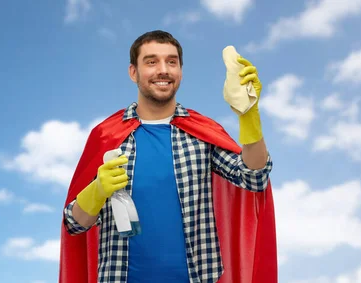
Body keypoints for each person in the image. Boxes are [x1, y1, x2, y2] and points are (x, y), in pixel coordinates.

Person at [59, 30, 277, 283]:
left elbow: (253, 177)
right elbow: (75, 224)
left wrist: (248, 114)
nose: (163, 70)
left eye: (171, 62)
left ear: (181, 71)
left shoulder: (202, 132)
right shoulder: (105, 135)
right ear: (133, 72)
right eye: (151, 62)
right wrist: (96, 190)